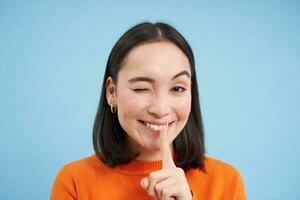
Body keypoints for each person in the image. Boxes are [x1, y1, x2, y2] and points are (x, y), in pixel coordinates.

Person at [50, 22, 247, 200]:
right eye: (141, 88)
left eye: (177, 88)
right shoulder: (74, 182)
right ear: (112, 92)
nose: (161, 109)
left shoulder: (226, 182)